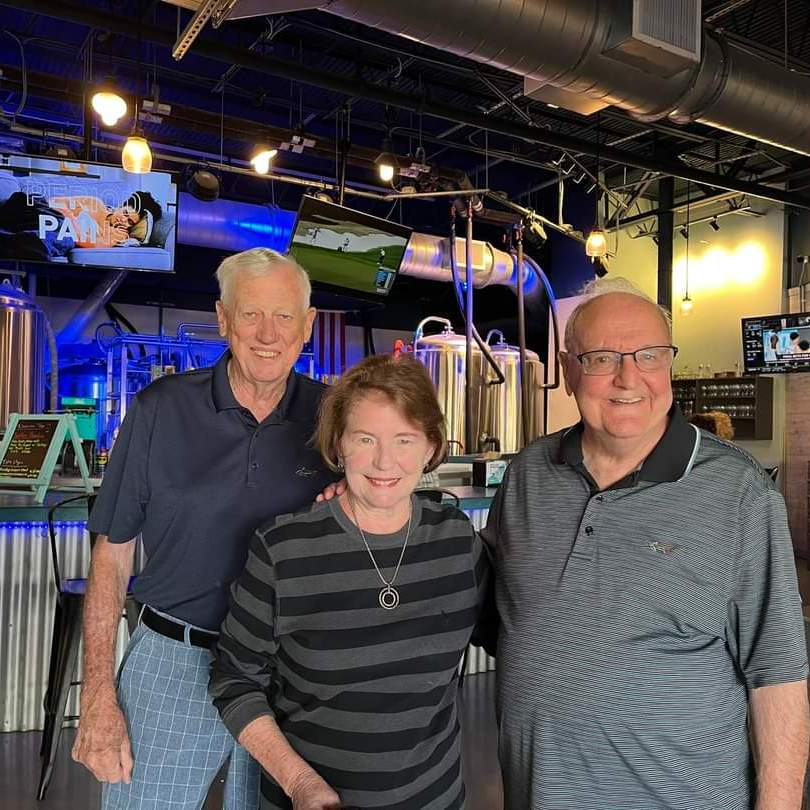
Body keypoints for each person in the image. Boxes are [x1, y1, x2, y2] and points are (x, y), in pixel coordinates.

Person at [484, 276, 809, 809]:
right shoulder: (527, 475)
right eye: (602, 358)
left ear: (669, 366)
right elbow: (492, 613)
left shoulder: (739, 491)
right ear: (568, 371)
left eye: (650, 356)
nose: (628, 377)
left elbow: (777, 670)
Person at [72, 247, 333, 810]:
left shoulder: (333, 417)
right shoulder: (159, 409)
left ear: (308, 325)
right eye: (251, 314)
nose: (268, 334)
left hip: (289, 672)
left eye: (284, 316)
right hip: (173, 659)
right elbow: (112, 555)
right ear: (223, 318)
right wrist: (97, 695)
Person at [209, 354, 490, 810]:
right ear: (339, 445)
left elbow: (518, 631)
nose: (384, 461)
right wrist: (299, 782)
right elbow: (234, 681)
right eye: (365, 439)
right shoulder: (283, 549)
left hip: (435, 798)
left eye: (404, 439)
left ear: (431, 447)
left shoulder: (457, 542)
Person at [50, 190, 162, 248]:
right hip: (51, 214)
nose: (123, 220)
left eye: (130, 222)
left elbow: (95, 245)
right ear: (120, 206)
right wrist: (71, 217)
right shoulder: (95, 203)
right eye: (125, 213)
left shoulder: (119, 234)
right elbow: (54, 202)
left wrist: (73, 227)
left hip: (62, 233)